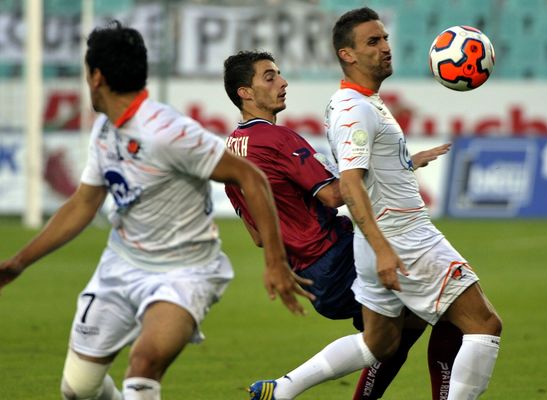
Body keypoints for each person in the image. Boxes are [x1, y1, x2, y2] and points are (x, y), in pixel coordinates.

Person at [0, 21, 313, 400]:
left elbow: (252, 177)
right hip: (121, 266)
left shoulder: (168, 131)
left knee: (143, 364)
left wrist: (275, 261)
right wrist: (18, 262)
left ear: (96, 77)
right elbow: (84, 202)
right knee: (78, 388)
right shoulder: (105, 131)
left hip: (185, 271)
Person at [247, 7, 502, 400]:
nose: (386, 47)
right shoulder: (355, 110)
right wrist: (384, 249)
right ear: (346, 55)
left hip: (377, 242)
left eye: (384, 38)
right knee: (483, 325)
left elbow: (363, 171)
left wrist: (404, 163)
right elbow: (349, 186)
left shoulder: (355, 102)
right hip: (402, 237)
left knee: (381, 343)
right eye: (373, 41)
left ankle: (282, 390)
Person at [223, 50, 463, 400]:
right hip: (336, 258)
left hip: (310, 274)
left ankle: (285, 391)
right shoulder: (278, 139)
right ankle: (285, 388)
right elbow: (336, 195)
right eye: (270, 76)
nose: (283, 82)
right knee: (450, 309)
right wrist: (397, 167)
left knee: (396, 333)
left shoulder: (231, 151)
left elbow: (258, 236)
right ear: (245, 92)